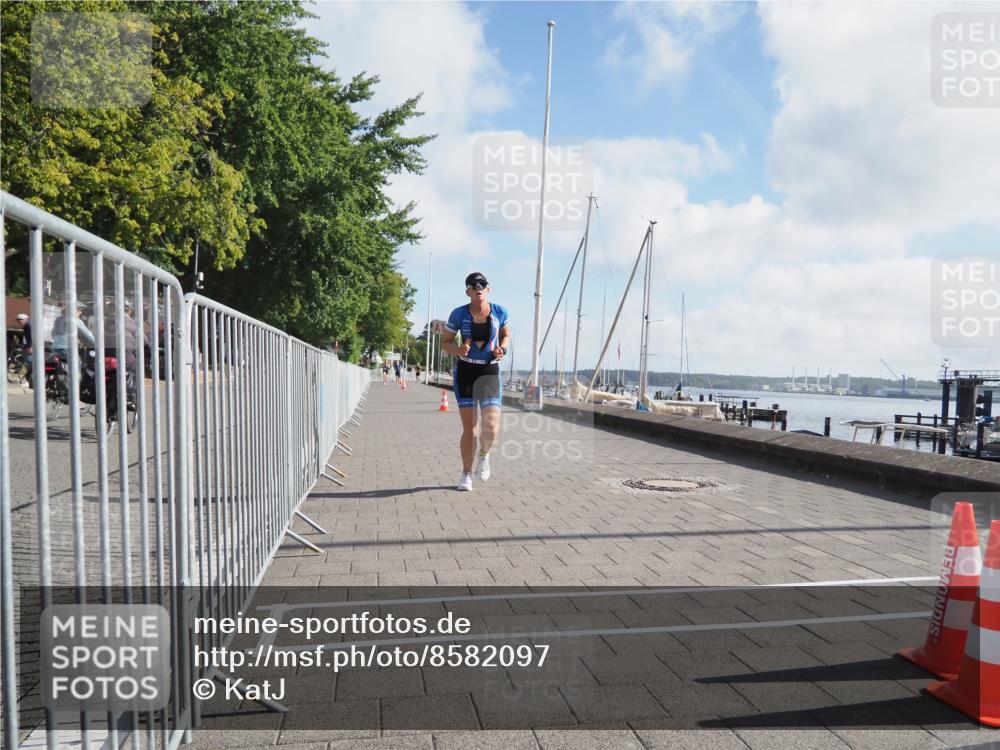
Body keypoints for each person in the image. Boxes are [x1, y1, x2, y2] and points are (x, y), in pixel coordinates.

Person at [441, 272, 510, 491]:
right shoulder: (458, 314)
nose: (478, 287)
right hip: (466, 371)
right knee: (470, 430)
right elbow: (445, 343)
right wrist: (458, 349)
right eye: (473, 284)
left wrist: (503, 348)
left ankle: (484, 455)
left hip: (489, 371)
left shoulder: (500, 311)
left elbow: (505, 335)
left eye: (483, 284)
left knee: (491, 427)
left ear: (488, 289)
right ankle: (466, 474)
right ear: (468, 291)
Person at [15, 313, 32, 382]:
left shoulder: (29, 325)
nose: (19, 322)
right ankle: (25, 378)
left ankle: (26, 379)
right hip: (28, 346)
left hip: (31, 347)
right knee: (27, 361)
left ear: (25, 319)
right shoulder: (26, 326)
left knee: (29, 362)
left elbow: (32, 337)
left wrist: (30, 346)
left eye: (20, 320)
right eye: (18, 321)